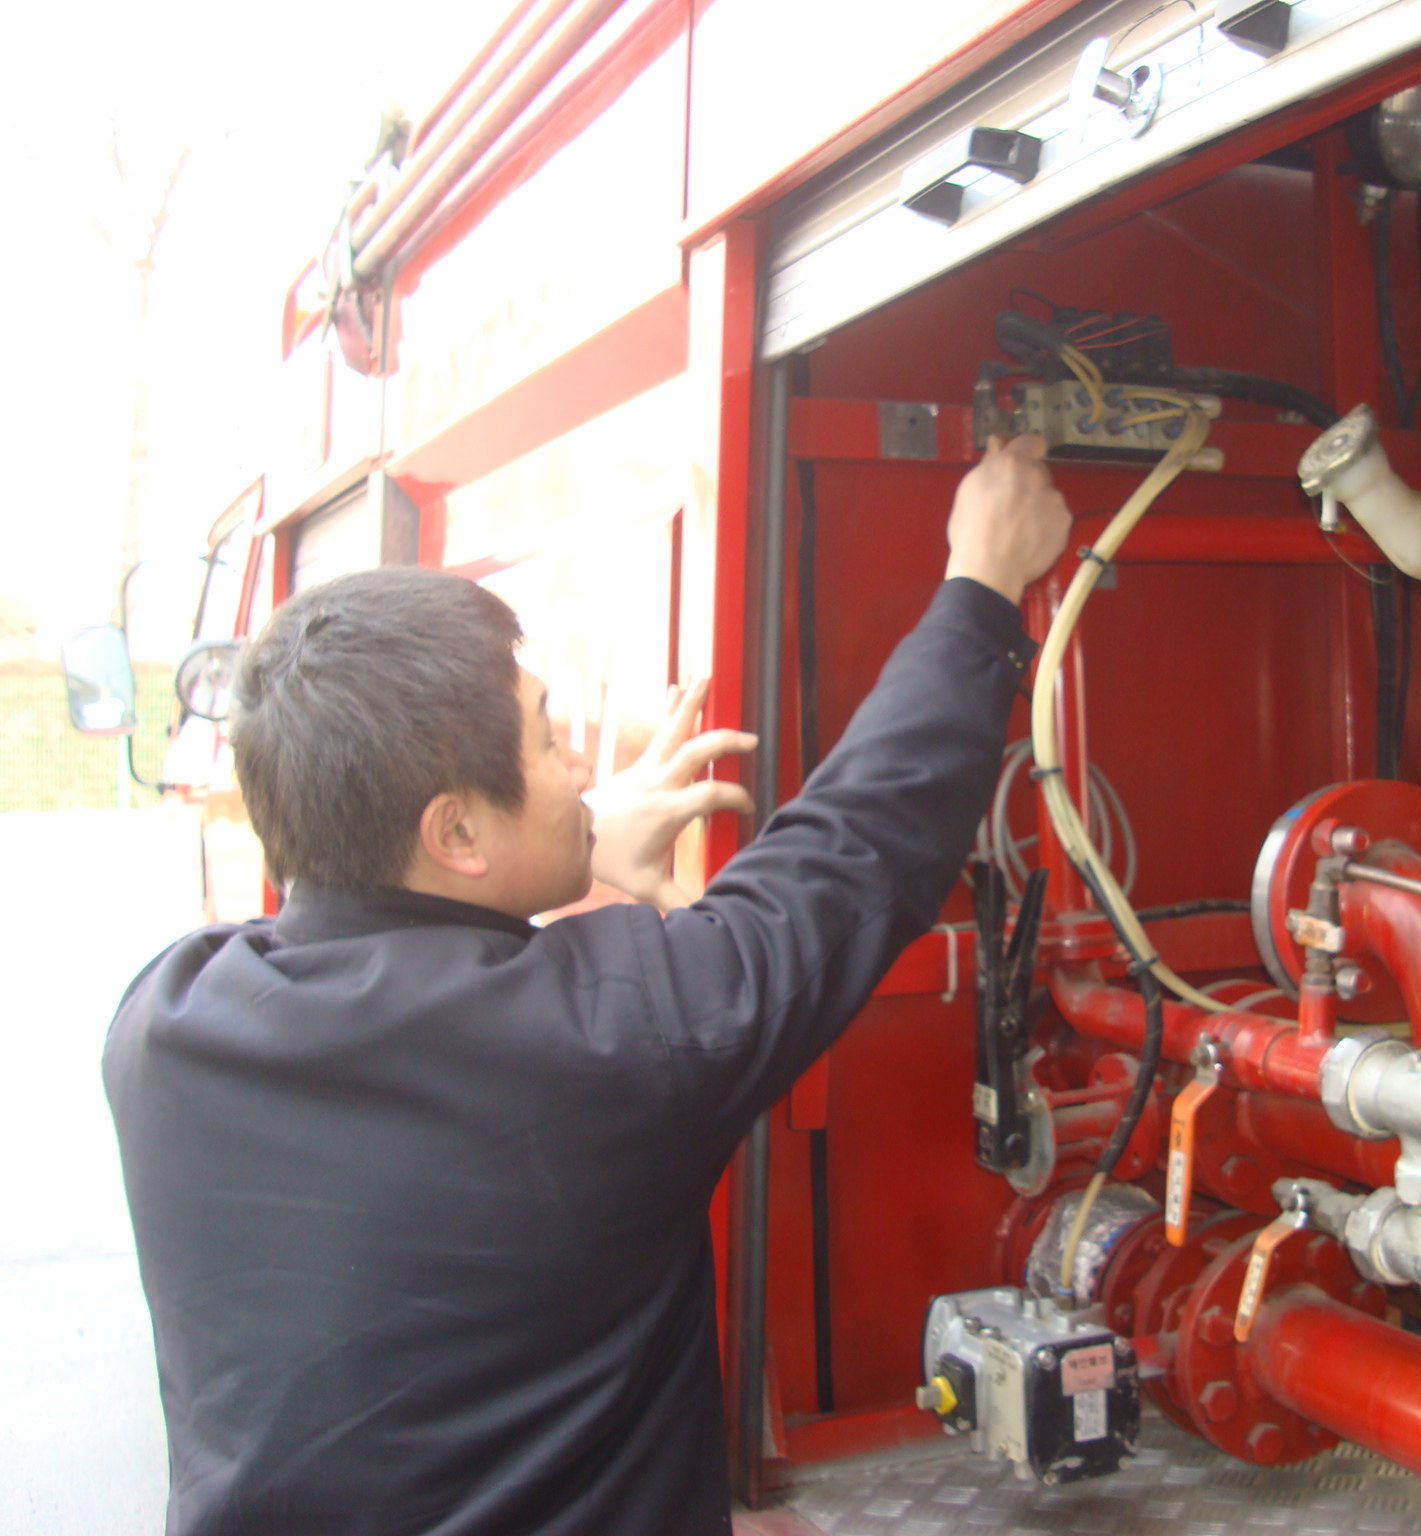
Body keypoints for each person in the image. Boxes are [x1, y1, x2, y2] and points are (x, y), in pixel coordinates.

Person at [103, 436, 1074, 1536]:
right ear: (453, 832)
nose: (579, 770)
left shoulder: (159, 1028)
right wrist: (982, 583)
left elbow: (384, 937)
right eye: (548, 741)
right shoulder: (601, 1050)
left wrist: (564, 842)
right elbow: (856, 850)